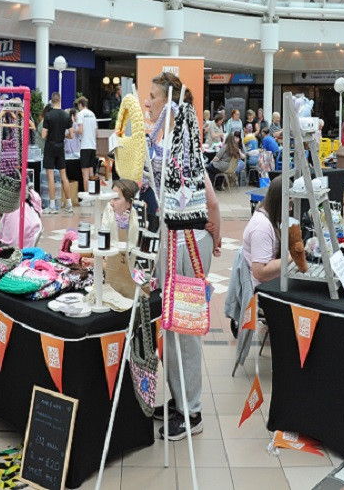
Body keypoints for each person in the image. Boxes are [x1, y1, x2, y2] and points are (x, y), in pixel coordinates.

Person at [147, 71, 222, 441]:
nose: (148, 103)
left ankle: (192, 410)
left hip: (189, 243)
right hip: (172, 241)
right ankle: (178, 401)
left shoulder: (184, 145)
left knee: (185, 326)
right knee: (170, 325)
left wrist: (216, 234)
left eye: (154, 97)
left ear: (171, 104)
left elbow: (210, 199)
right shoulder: (165, 141)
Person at [243, 175, 285, 289]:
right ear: (278, 201)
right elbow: (260, 272)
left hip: (270, 283)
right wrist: (292, 257)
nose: (290, 209)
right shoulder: (262, 226)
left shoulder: (271, 219)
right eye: (289, 204)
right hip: (261, 289)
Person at [40, 92, 75, 215]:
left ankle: (52, 206)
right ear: (60, 100)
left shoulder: (48, 116)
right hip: (61, 147)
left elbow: (43, 135)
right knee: (63, 176)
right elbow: (71, 135)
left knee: (50, 177)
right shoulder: (66, 116)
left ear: (51, 101)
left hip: (50, 147)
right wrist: (62, 135)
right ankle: (69, 204)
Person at [76, 96, 99, 206]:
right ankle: (93, 196)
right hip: (92, 146)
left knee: (84, 174)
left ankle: (86, 198)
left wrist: (74, 131)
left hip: (84, 146)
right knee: (91, 173)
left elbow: (80, 130)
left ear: (80, 104)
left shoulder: (80, 114)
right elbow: (96, 133)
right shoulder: (93, 114)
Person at [102, 178, 140, 243]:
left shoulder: (135, 224)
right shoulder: (109, 219)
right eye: (111, 198)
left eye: (116, 199)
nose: (111, 203)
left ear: (129, 202)